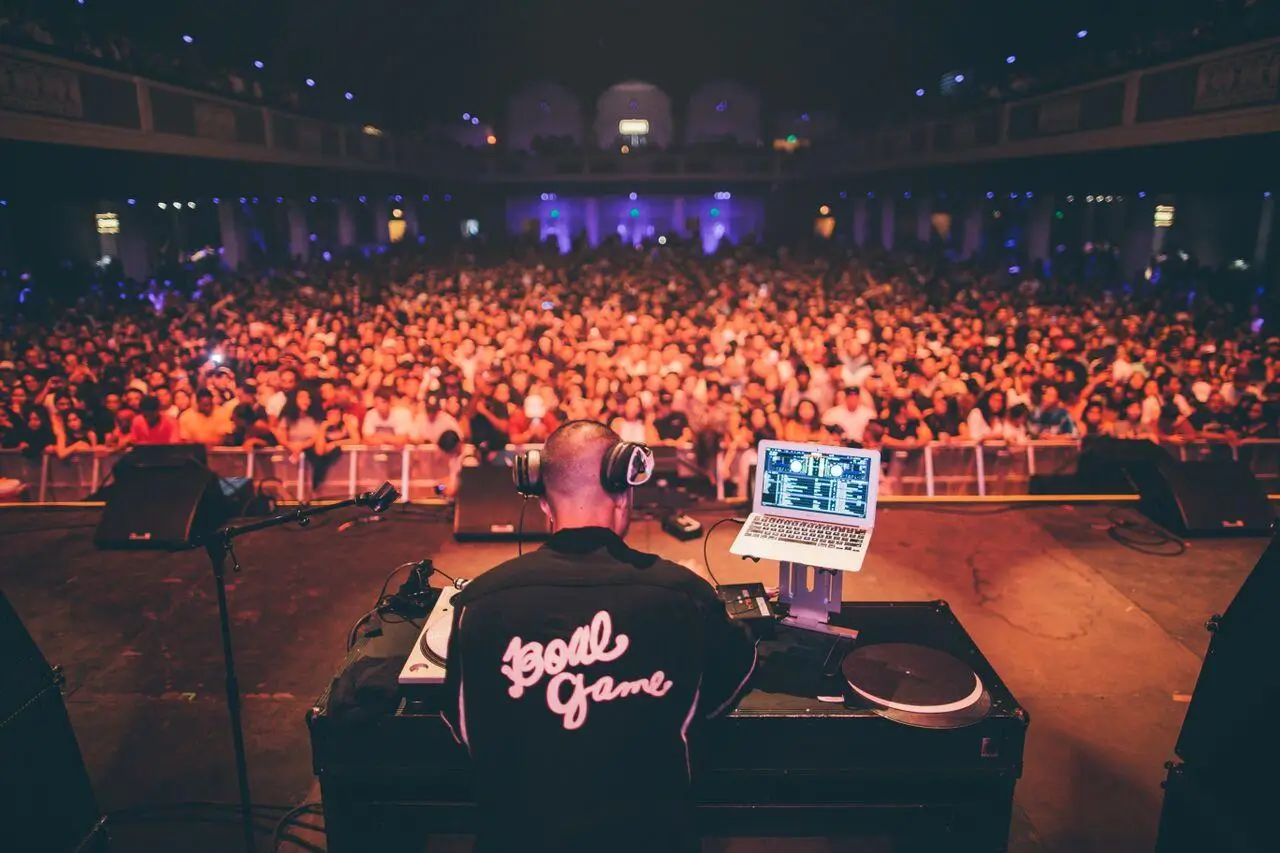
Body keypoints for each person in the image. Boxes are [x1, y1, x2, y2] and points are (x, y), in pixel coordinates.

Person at [441, 421, 757, 853]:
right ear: (624, 491)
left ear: (542, 502)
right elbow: (732, 677)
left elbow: (463, 729)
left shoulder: (477, 605)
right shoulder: (683, 595)